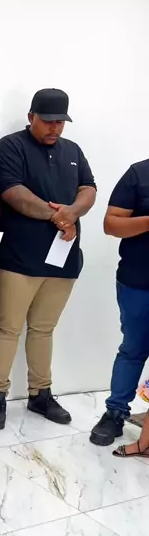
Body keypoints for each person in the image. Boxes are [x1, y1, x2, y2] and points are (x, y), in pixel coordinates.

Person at [0, 88, 97, 430]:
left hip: (64, 259)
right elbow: (13, 193)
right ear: (31, 116)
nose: (54, 127)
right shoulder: (11, 146)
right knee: (8, 327)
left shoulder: (72, 151)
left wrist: (73, 212)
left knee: (44, 329)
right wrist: (59, 217)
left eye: (60, 122)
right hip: (18, 258)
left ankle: (40, 394)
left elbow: (88, 188)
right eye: (48, 121)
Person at [90, 158, 149, 447]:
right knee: (133, 349)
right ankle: (115, 412)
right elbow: (111, 224)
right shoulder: (139, 173)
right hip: (138, 282)